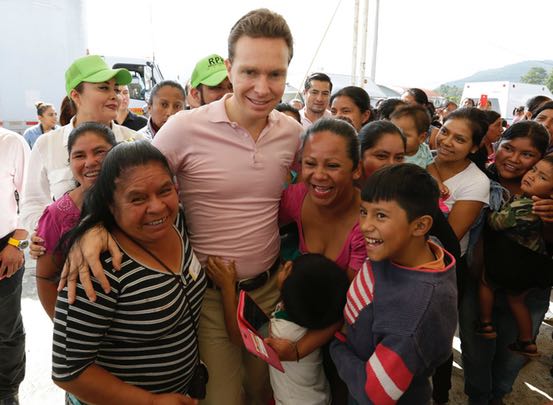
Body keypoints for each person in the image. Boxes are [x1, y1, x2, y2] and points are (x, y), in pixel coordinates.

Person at [59, 9, 310, 405]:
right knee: (222, 398)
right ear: (230, 69)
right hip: (208, 297)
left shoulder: (293, 134)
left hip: (268, 290)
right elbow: (127, 184)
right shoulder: (186, 128)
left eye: (275, 74)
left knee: (264, 392)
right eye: (249, 72)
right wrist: (92, 228)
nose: (262, 87)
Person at [52, 141, 204, 405]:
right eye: (137, 198)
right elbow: (68, 370)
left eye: (165, 190)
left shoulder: (176, 221)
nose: (157, 207)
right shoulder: (99, 265)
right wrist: (150, 402)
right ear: (111, 204)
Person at [330, 163, 458, 405]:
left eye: (381, 215)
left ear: (420, 226)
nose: (365, 225)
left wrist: (337, 348)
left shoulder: (412, 315)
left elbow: (374, 392)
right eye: (363, 211)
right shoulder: (415, 247)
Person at [459, 120, 553, 405]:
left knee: (511, 360)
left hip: (526, 291)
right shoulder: (477, 180)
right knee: (475, 355)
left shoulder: (548, 197)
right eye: (508, 148)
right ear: (497, 145)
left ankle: (497, 397)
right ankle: (479, 399)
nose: (513, 159)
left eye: (527, 155)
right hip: (479, 285)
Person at [19, 54, 142, 236]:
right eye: (103, 88)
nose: (114, 96)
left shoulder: (136, 142)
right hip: (68, 254)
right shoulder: (47, 144)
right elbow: (33, 202)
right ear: (76, 95)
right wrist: (45, 235)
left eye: (115, 89)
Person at [35, 123, 117, 319]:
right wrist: (65, 330)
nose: (90, 162)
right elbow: (45, 279)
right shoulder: (57, 215)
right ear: (69, 162)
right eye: (79, 156)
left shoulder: (134, 199)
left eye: (100, 152)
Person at [477, 155, 553, 356]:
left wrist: (490, 212)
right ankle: (526, 340)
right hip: (533, 264)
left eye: (542, 178)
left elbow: (497, 222)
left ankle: (485, 323)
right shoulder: (538, 204)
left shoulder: (526, 205)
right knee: (517, 301)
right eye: (534, 169)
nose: (532, 176)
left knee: (486, 282)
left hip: (514, 262)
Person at [280, 118, 366, 281]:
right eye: (310, 164)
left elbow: (349, 296)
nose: (319, 175)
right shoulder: (296, 197)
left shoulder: (368, 223)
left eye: (332, 166)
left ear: (356, 169)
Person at [0, 127, 30, 405]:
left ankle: (7, 390)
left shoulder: (12, 143)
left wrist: (16, 245)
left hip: (4, 246)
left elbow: (31, 197)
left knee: (5, 325)